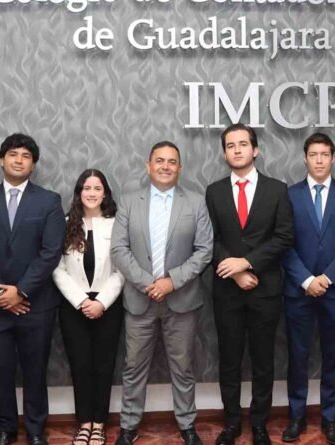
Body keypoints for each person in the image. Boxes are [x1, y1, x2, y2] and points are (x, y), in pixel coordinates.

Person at [0, 134, 65, 445]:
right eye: (13, 154)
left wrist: (20, 291)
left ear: (33, 165)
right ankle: (6, 428)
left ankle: (35, 430)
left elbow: (51, 252)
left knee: (35, 370)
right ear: (1, 159)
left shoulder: (49, 201)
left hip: (36, 304)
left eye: (26, 156)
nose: (19, 160)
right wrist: (0, 294)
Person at [110, 141, 213, 445]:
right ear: (148, 165)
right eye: (159, 160)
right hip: (139, 300)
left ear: (180, 168)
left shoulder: (195, 202)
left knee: (183, 368)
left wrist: (171, 281)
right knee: (133, 368)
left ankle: (187, 425)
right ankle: (129, 426)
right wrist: (148, 283)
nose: (165, 166)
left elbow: (204, 250)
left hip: (182, 300)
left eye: (171, 161)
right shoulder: (130, 201)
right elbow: (119, 249)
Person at [204, 123, 294, 445]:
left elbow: (284, 236)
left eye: (243, 144)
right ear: (225, 153)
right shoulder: (214, 191)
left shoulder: (277, 189)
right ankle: (231, 423)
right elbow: (210, 240)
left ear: (255, 150)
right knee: (229, 360)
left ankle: (259, 423)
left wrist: (247, 262)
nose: (237, 150)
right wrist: (235, 271)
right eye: (230, 145)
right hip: (227, 291)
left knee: (262, 360)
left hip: (265, 290)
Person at [281, 133, 335, 445]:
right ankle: (296, 417)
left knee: (333, 357)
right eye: (313, 154)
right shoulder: (289, 196)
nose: (318, 160)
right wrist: (306, 280)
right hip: (298, 291)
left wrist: (326, 279)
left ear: (333, 158)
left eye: (324, 154)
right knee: (297, 356)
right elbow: (284, 243)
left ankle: (330, 419)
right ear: (305, 158)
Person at [52, 169, 125, 445]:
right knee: (80, 365)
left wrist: (101, 302)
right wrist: (82, 301)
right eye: (86, 188)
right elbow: (57, 268)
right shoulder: (65, 224)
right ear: (79, 192)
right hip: (74, 306)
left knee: (104, 365)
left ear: (105, 193)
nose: (92, 193)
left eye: (97, 188)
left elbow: (122, 270)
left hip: (108, 305)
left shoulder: (117, 224)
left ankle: (99, 424)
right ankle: (84, 423)